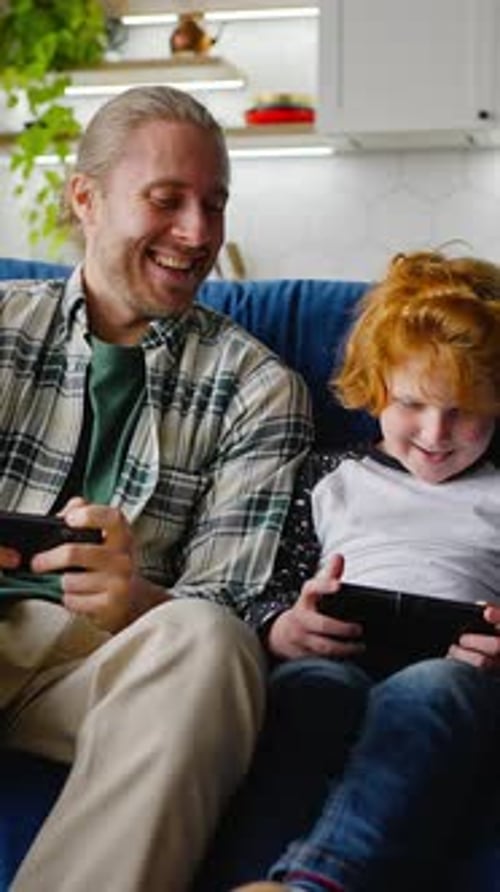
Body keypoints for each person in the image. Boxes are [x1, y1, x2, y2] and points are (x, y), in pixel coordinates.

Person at [0, 85, 312, 892]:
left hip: (104, 670)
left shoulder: (259, 388)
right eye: (167, 200)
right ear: (87, 199)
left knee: (209, 642)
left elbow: (231, 607)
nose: (197, 233)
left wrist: (132, 596)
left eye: (214, 204)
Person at [194, 251, 500, 892]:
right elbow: (266, 589)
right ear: (377, 386)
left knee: (429, 693)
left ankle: (316, 884)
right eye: (414, 402)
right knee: (307, 693)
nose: (437, 433)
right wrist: (285, 627)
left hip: (459, 677)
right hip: (336, 659)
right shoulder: (328, 477)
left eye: (465, 410)